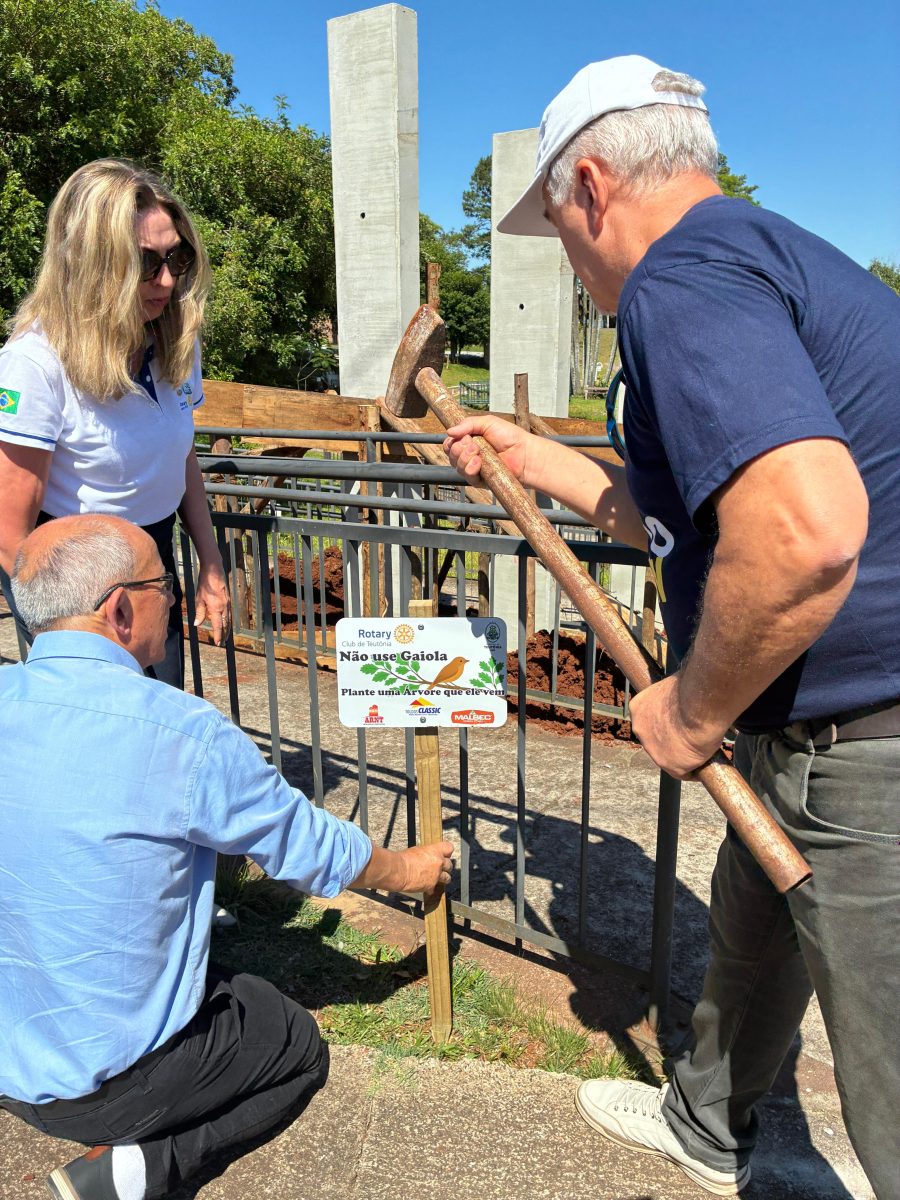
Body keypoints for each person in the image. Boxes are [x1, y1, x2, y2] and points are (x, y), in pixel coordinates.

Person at [444, 55, 899, 1199]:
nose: (571, 263)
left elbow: (803, 533)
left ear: (593, 186)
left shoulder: (678, 280)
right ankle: (707, 1122)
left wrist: (693, 713)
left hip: (866, 757)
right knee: (750, 942)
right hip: (807, 734)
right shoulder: (766, 250)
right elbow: (687, 509)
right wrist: (531, 456)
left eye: (558, 227)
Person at [0, 514, 453, 1200]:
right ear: (119, 609)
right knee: (293, 1043)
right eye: (164, 584)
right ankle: (143, 1169)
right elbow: (302, 842)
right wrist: (409, 871)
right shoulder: (181, 733)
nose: (175, 600)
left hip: (9, 1063)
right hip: (106, 1085)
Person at [0, 158, 230, 688]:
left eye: (176, 257)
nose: (167, 280)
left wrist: (211, 564)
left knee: (160, 704)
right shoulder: (35, 362)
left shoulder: (174, 338)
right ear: (92, 263)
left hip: (153, 561)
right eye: (145, 263)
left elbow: (181, 456)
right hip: (77, 582)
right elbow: (10, 532)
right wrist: (71, 633)